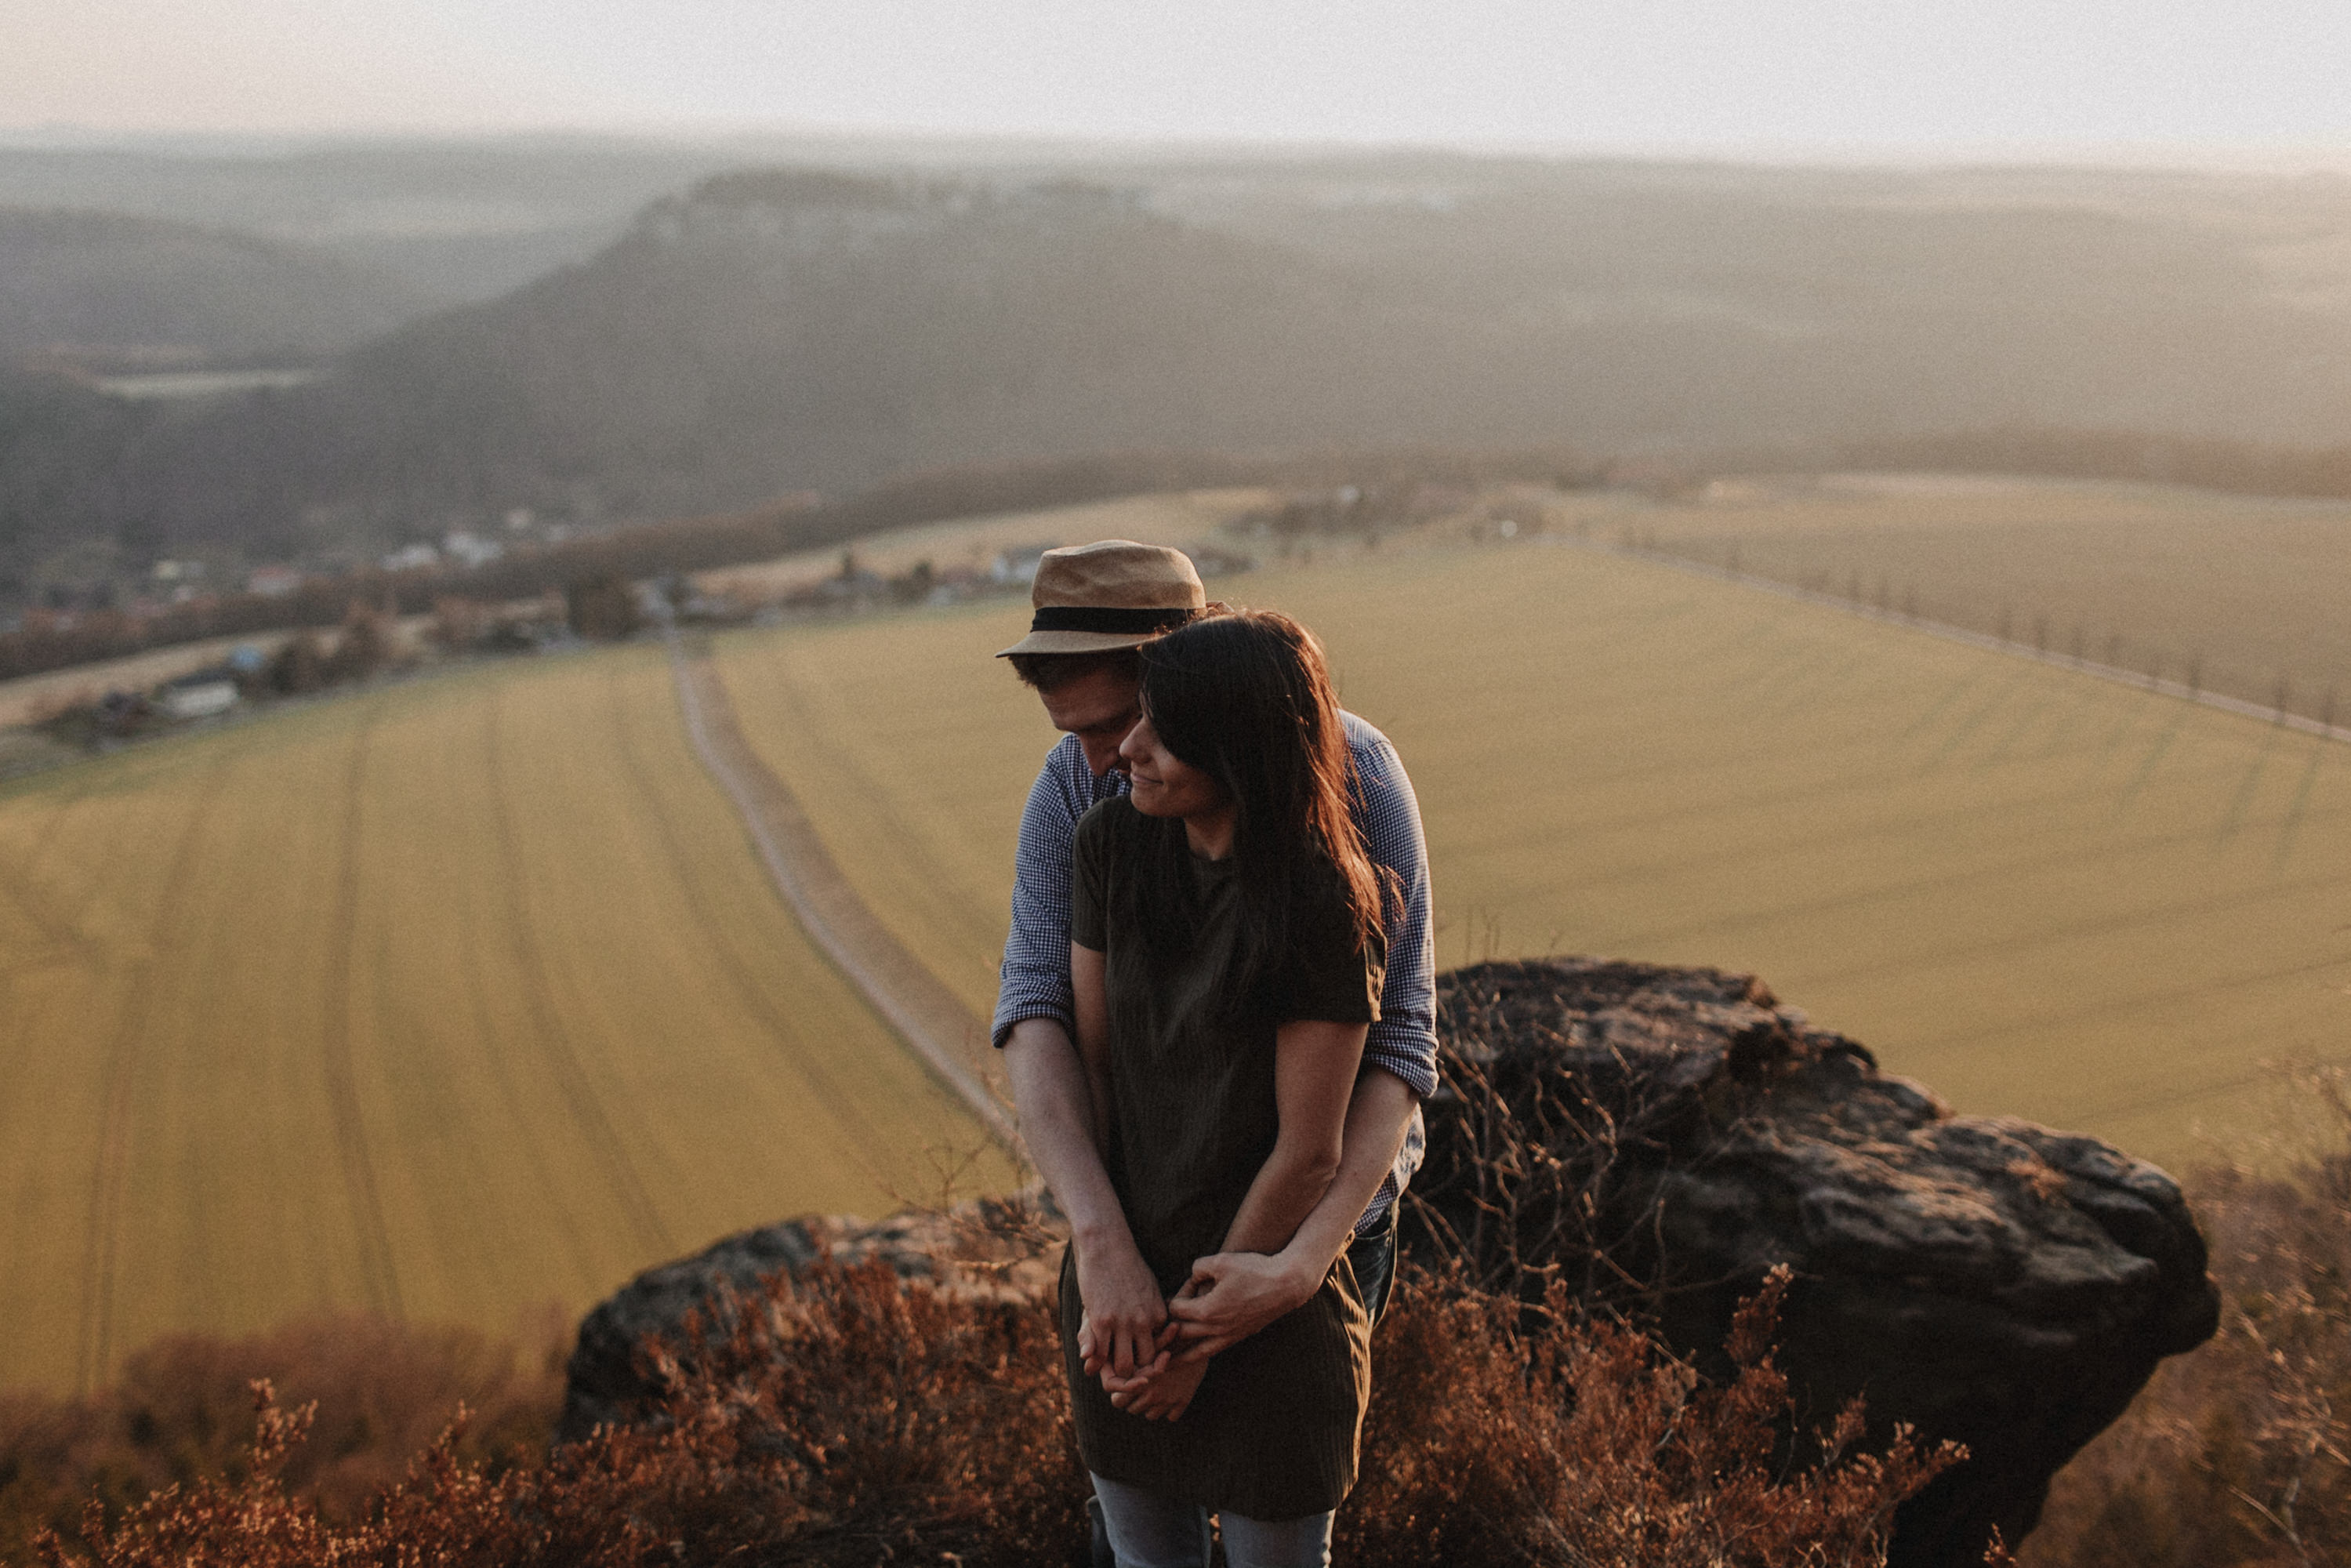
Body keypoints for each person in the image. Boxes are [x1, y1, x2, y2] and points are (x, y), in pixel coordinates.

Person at [991, 542, 1436, 1565]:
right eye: (1076, 734)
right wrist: (1102, 1240)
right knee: (1142, 1528)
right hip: (1142, 1225)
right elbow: (1040, 1014)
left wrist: (1295, 1265)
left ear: (1194, 680)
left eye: (1117, 723)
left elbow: (1397, 1047)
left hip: (1307, 1217)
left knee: (1282, 1493)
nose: (1105, 760)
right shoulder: (1083, 803)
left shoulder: (1354, 777)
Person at [1069, 608, 1388, 1563]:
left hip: (1263, 1308)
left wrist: (1196, 1341)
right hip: (1120, 1301)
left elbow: (1308, 1151)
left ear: (1237, 743)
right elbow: (1095, 1069)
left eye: (1159, 729)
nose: (1126, 748)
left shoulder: (1324, 904)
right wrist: (1108, 1264)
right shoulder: (1109, 848)